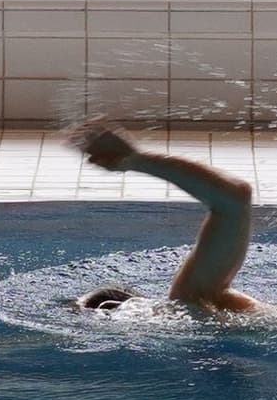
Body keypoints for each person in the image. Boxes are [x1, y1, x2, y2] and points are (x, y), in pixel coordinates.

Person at [70, 125, 259, 313]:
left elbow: (234, 198)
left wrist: (135, 160)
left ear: (111, 309)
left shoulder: (190, 302)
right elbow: (234, 200)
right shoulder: (196, 308)